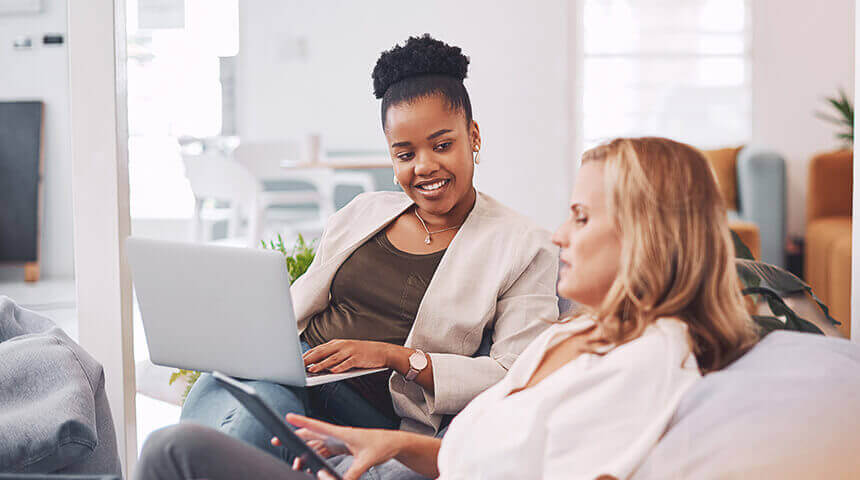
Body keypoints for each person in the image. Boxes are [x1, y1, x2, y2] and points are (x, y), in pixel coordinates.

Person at [135, 137, 759, 480]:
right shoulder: (583, 333)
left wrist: (400, 383)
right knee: (211, 417)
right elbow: (480, 453)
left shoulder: (645, 362)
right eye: (403, 151)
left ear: (651, 234)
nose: (561, 234)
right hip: (396, 450)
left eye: (581, 216)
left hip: (404, 425)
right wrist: (388, 448)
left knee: (175, 454)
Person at [177, 33, 560, 468]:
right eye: (404, 153)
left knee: (237, 427)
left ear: (473, 136)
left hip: (365, 404)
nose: (424, 167)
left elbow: (517, 372)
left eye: (442, 145)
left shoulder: (523, 245)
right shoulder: (365, 210)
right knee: (212, 410)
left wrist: (394, 356)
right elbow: (303, 299)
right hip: (294, 366)